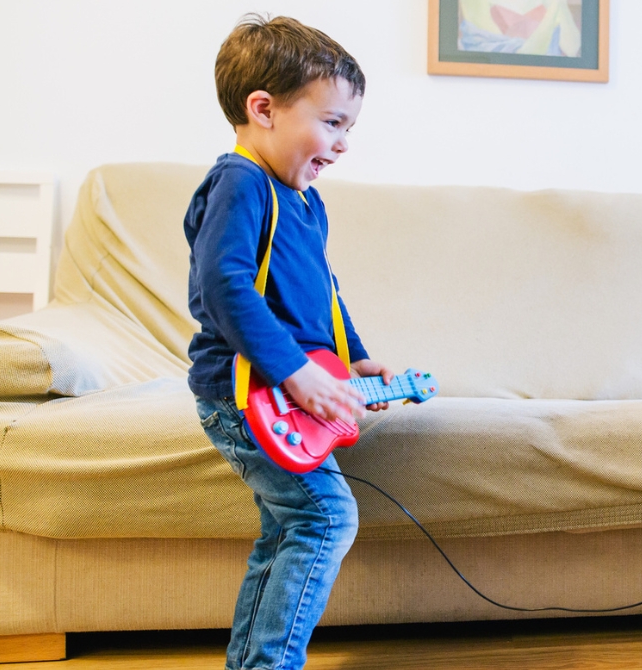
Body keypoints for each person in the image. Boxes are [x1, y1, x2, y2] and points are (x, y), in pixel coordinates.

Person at [185, 15, 394, 670]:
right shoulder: (240, 183)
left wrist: (353, 357)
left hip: (288, 395)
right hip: (248, 394)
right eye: (332, 123)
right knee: (325, 519)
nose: (342, 143)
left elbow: (326, 293)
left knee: (289, 530)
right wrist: (296, 372)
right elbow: (224, 286)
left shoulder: (305, 201)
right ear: (263, 109)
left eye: (349, 129)